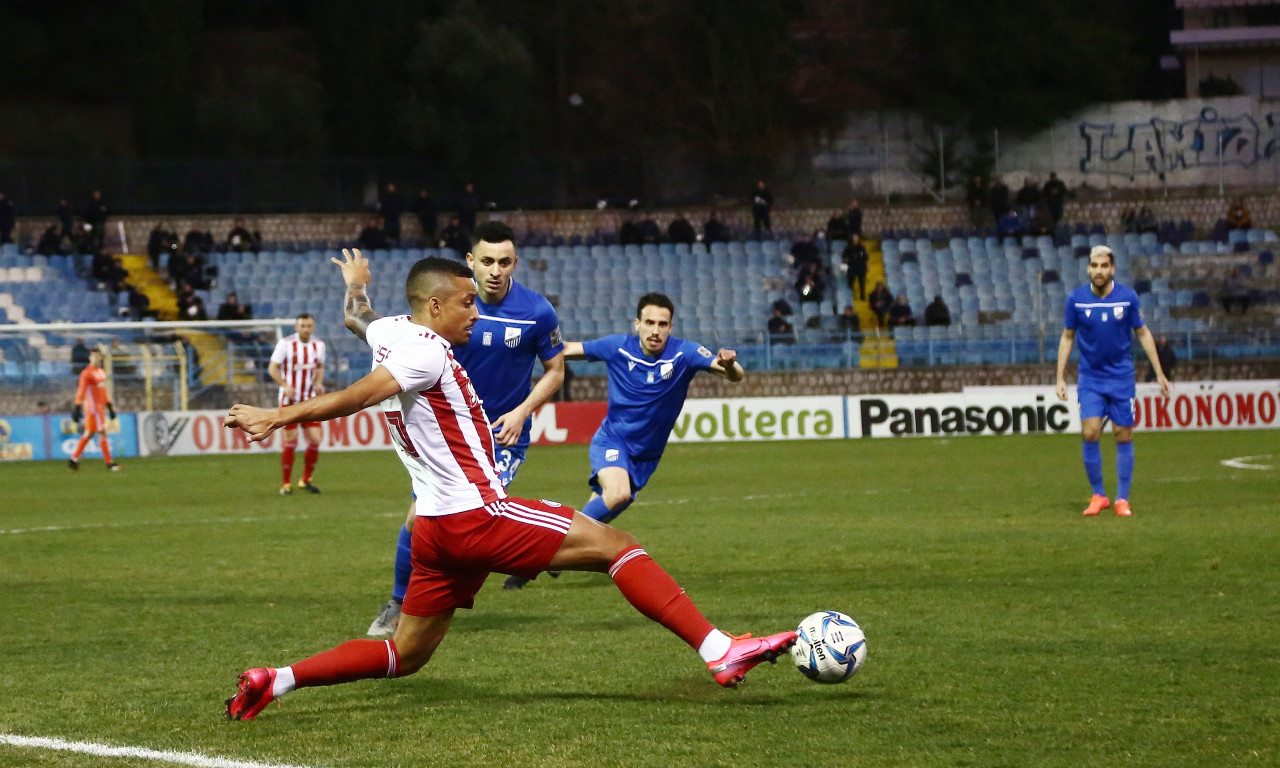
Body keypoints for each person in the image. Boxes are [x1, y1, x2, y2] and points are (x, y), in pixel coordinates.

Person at [222, 257, 797, 720]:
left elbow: (359, 316)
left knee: (405, 655)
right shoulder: (421, 351)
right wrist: (277, 417)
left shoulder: (394, 330)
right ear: (436, 306)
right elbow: (358, 396)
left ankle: (276, 680)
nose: (478, 312)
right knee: (618, 547)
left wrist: (355, 286)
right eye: (468, 303)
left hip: (434, 532)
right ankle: (721, 651)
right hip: (477, 516)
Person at [365, 221, 566, 633]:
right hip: (448, 436)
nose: (496, 270)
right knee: (420, 518)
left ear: (515, 263)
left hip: (501, 436)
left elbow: (555, 371)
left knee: (470, 522)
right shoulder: (448, 306)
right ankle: (401, 601)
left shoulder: (537, 312)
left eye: (504, 261)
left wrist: (523, 411)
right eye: (487, 261)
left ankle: (426, 601)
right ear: (471, 261)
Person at [501, 292, 748, 593]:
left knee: (596, 514)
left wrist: (730, 364)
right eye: (649, 322)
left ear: (671, 327)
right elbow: (565, 350)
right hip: (613, 440)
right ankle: (537, 559)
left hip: (647, 456)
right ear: (637, 324)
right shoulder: (617, 346)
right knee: (617, 494)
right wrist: (523, 345)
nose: (655, 330)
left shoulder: (684, 354)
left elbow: (734, 375)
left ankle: (544, 558)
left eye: (662, 324)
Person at [1055, 245, 1170, 518]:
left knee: (1123, 433)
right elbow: (1067, 336)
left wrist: (1160, 373)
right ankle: (1098, 495)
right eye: (1095, 266)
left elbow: (1142, 333)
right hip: (1090, 378)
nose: (1099, 271)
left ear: (1112, 269)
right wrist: (1059, 376)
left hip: (1121, 378)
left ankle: (1122, 499)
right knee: (1090, 432)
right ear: (1088, 268)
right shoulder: (1076, 299)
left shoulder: (1128, 298)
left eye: (1104, 266)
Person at [269, 314, 326, 495]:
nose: (306, 329)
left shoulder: (319, 345)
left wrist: (318, 383)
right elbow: (272, 368)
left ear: (313, 327)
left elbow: (319, 366)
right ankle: (286, 484)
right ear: (296, 326)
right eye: (302, 325)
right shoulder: (285, 344)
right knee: (290, 441)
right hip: (290, 401)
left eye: (309, 325)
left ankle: (306, 479)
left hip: (310, 400)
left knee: (315, 439)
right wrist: (285, 386)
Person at [68, 349, 120, 472]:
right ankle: (109, 463)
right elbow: (81, 390)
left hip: (100, 407)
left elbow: (103, 391)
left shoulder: (101, 372)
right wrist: (77, 406)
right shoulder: (87, 373)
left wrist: (109, 406)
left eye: (98, 356)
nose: (96, 358)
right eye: (94, 356)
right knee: (102, 432)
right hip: (93, 408)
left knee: (89, 433)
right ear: (90, 358)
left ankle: (73, 459)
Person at [842, 235, 868, 300]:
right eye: (854, 239)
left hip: (861, 268)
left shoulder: (861, 247)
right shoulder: (848, 248)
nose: (855, 240)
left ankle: (862, 297)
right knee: (850, 284)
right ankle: (849, 297)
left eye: (856, 239)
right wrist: (843, 269)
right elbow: (844, 259)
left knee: (862, 284)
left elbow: (866, 258)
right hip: (852, 268)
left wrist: (867, 266)